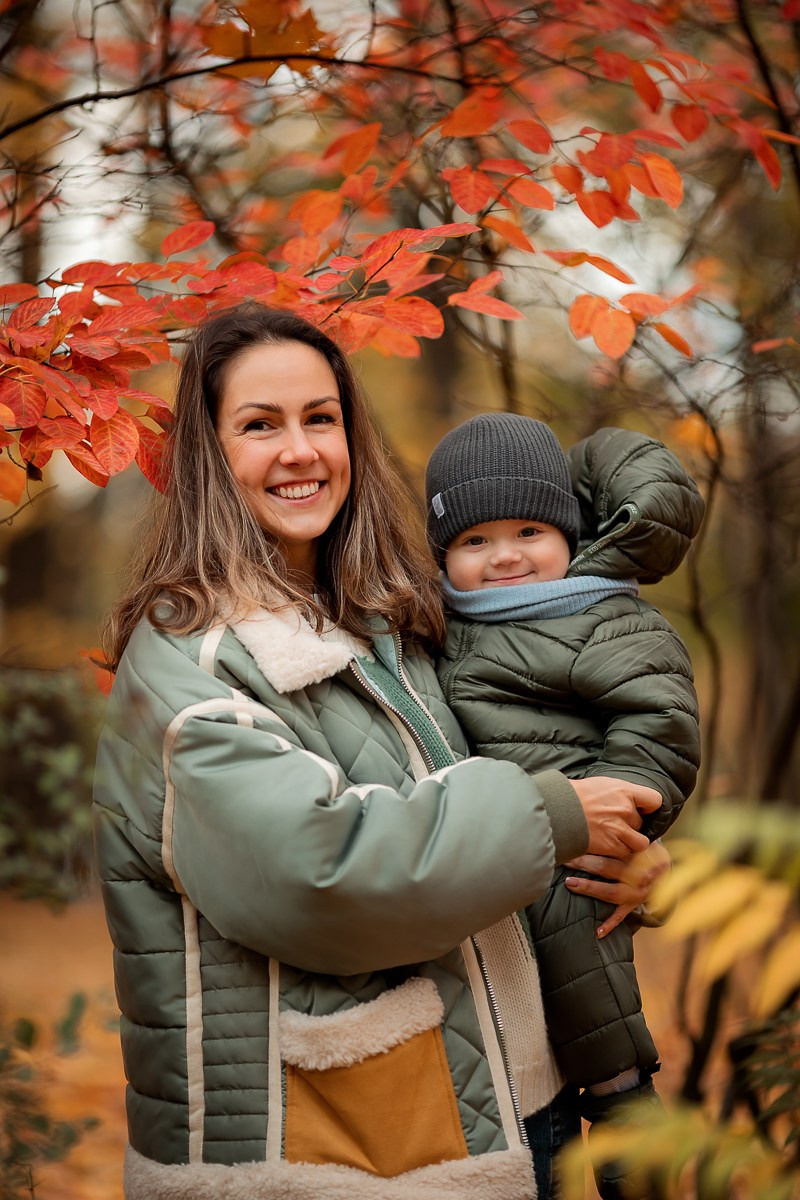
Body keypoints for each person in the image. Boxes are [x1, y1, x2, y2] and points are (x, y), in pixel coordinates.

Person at [94, 302, 664, 1200]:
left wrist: (623, 854)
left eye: (321, 418)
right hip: (354, 1154)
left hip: (525, 1106)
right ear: (209, 456)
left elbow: (534, 762)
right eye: (259, 425)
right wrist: (553, 816)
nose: (300, 450)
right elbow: (317, 877)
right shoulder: (190, 662)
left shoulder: (387, 621)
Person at [426, 412, 703, 1198]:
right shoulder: (439, 627)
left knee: (582, 955)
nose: (505, 556)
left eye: (527, 532)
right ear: (443, 552)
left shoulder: (596, 611)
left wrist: (632, 807)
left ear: (568, 534)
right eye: (474, 542)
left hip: (579, 837)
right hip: (492, 850)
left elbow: (662, 716)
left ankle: (623, 1109)